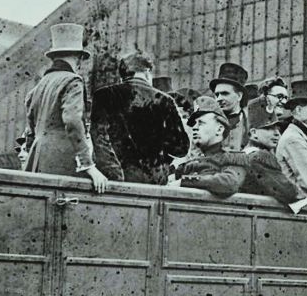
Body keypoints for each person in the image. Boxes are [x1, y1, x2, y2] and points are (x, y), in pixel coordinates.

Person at [23, 23, 108, 193]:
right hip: (61, 162)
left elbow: (30, 131)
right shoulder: (72, 81)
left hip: (36, 161)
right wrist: (88, 165)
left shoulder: (39, 86)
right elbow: (72, 120)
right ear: (78, 58)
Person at [90, 51, 189, 185]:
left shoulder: (103, 95)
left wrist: (114, 173)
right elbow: (181, 148)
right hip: (153, 182)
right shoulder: (165, 101)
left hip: (112, 181)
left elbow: (99, 138)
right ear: (147, 72)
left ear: (122, 76)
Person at [173, 96, 246, 197]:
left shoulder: (233, 159)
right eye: (194, 124)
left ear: (219, 129)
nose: (194, 128)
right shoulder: (189, 163)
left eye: (201, 123)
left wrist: (185, 182)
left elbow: (230, 183)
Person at [234, 96, 300, 204]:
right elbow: (290, 193)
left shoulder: (243, 155)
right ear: (253, 133)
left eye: (277, 129)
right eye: (269, 128)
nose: (277, 134)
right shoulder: (260, 157)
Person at [209, 63, 250, 151]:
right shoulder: (208, 124)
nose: (219, 99)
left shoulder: (251, 123)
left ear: (239, 96)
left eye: (225, 93)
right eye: (217, 95)